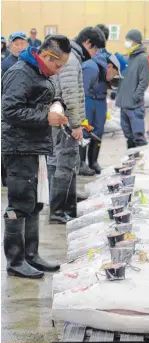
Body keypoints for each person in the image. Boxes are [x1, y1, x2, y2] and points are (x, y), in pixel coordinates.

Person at [1, 35, 71, 279]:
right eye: (58, 65)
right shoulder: (21, 72)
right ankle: (15, 260)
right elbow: (9, 110)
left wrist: (56, 104)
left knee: (34, 203)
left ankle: (31, 255)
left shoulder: (39, 73)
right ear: (47, 56)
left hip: (34, 146)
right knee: (18, 205)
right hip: (18, 148)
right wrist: (45, 117)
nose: (58, 71)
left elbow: (39, 99)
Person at [48, 27, 106, 225]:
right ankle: (58, 211)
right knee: (64, 163)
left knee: (64, 162)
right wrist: (75, 124)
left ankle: (67, 206)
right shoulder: (71, 60)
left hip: (62, 118)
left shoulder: (71, 57)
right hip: (64, 121)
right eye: (96, 50)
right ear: (88, 43)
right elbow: (71, 95)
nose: (96, 55)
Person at [81, 52, 127, 174]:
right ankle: (81, 164)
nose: (113, 78)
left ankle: (93, 162)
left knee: (98, 131)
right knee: (85, 131)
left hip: (100, 101)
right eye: (115, 74)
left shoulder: (104, 72)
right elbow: (82, 90)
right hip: (88, 100)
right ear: (110, 66)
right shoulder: (91, 68)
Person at [115, 29, 149, 148]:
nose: (126, 43)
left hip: (134, 105)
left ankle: (142, 161)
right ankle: (131, 160)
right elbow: (122, 79)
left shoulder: (142, 59)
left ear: (135, 42)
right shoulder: (126, 58)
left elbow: (143, 81)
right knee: (128, 135)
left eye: (129, 40)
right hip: (124, 104)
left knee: (138, 135)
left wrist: (136, 96)